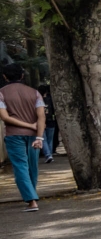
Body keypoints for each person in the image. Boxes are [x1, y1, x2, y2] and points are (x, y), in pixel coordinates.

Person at [0, 63, 45, 211]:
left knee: (21, 167)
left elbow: (5, 117)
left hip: (14, 136)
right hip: (33, 136)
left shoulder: (1, 93)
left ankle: (31, 200)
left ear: (5, 77)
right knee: (32, 166)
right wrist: (39, 137)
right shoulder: (35, 93)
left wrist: (26, 126)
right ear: (22, 76)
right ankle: (32, 195)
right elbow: (41, 117)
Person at [37, 84, 56, 163]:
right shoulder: (51, 99)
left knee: (43, 138)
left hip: (40, 121)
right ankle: (50, 154)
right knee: (50, 139)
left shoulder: (37, 100)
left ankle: (48, 155)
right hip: (51, 120)